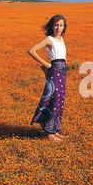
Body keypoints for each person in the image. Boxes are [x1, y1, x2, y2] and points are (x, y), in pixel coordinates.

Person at [28, 14, 68, 143]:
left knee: (59, 101)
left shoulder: (61, 39)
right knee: (52, 99)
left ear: (63, 27)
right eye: (56, 25)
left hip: (62, 72)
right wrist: (46, 64)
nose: (58, 28)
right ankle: (49, 133)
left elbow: (63, 56)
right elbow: (32, 50)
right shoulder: (49, 39)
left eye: (61, 25)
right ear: (52, 26)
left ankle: (55, 130)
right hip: (55, 71)